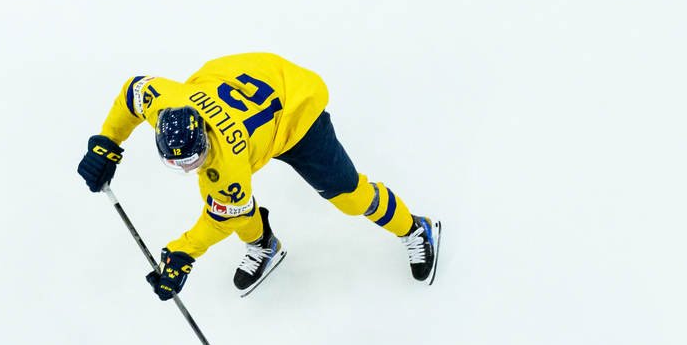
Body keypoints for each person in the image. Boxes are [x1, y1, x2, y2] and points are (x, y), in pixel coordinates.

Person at [76, 52, 439, 297]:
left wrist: (182, 252)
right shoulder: (166, 100)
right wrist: (107, 143)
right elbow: (131, 94)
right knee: (240, 211)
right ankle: (265, 244)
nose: (192, 168)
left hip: (295, 112)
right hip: (251, 81)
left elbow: (218, 220)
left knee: (349, 196)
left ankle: (415, 227)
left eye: (194, 158)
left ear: (205, 137)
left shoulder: (227, 162)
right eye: (178, 164)